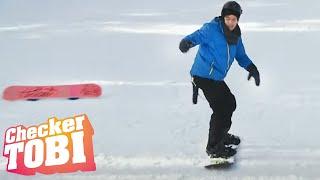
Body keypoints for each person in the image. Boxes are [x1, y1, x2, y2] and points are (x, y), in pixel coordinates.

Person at [179, 1, 260, 158]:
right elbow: (196, 36)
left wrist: (252, 68)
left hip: (215, 77)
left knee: (230, 103)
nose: (230, 22)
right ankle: (214, 147)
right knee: (221, 109)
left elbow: (241, 55)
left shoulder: (236, 35)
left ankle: (221, 135)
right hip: (202, 76)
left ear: (237, 20)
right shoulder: (211, 29)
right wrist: (187, 42)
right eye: (227, 18)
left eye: (234, 19)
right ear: (223, 17)